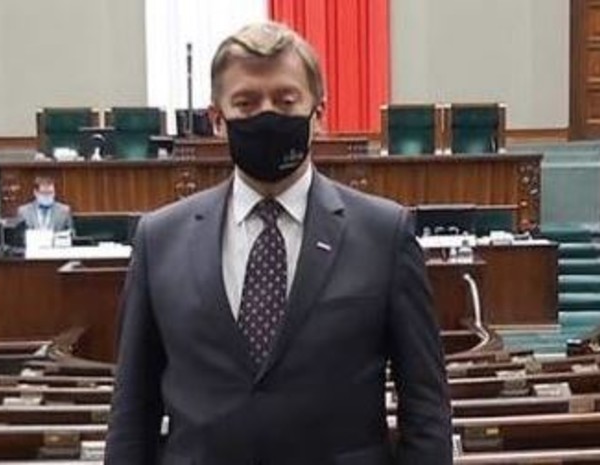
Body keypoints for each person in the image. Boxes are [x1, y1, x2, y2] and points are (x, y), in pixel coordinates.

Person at [106, 22, 451, 465]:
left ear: (318, 114)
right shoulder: (160, 239)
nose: (266, 115)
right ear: (217, 119)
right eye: (246, 103)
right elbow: (133, 410)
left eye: (286, 101)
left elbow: (425, 408)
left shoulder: (384, 233)